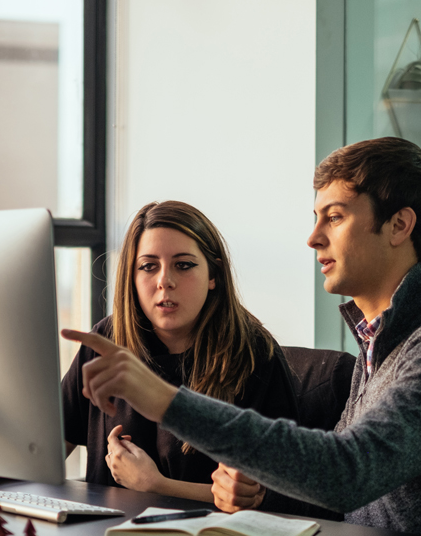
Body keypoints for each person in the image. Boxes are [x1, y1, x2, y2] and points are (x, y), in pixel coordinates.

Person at [62, 138, 421, 536]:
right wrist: (261, 494)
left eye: (334, 217)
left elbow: (349, 474)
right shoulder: (383, 342)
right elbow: (348, 501)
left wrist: (165, 401)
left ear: (399, 225)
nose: (313, 238)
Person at [61, 200, 298, 503]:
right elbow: (45, 452)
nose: (164, 281)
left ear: (214, 275)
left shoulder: (253, 355)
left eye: (183, 265)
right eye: (148, 266)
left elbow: (278, 498)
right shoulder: (107, 340)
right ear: (131, 279)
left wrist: (155, 484)